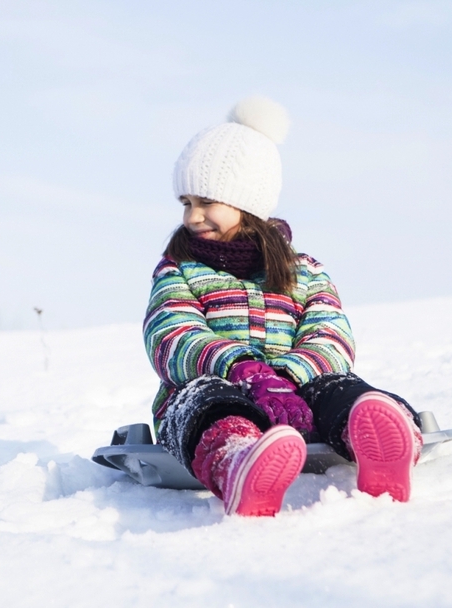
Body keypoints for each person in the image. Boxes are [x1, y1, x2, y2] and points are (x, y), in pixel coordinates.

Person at [144, 97, 424, 517]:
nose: (193, 217)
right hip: (216, 386)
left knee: (339, 387)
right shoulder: (178, 270)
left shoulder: (304, 271)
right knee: (207, 401)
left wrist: (290, 375)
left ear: (247, 203)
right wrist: (241, 368)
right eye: (186, 203)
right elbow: (172, 334)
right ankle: (236, 461)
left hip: (296, 394)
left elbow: (330, 336)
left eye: (207, 202)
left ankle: (381, 442)